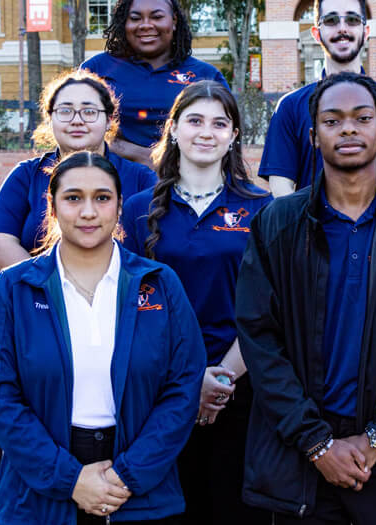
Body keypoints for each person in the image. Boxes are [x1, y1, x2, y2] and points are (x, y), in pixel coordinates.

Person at [236, 72, 376, 524]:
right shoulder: (277, 225)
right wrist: (316, 443)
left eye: (362, 118)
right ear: (312, 135)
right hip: (300, 459)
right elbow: (260, 339)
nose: (347, 130)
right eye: (332, 120)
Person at [0, 151, 206, 524]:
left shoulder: (160, 283)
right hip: (37, 497)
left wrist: (126, 475)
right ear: (51, 208)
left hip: (140, 489)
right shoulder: (14, 288)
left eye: (102, 198)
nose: (88, 212)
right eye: (73, 198)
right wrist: (71, 479)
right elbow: (1, 396)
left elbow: (183, 387)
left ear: (119, 207)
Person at [121, 80, 272, 525]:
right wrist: (189, 383)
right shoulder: (136, 209)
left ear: (234, 136)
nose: (207, 132)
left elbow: (271, 309)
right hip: (159, 391)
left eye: (219, 123)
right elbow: (129, 306)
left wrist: (221, 377)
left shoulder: (262, 209)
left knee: (234, 510)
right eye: (195, 120)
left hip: (240, 388)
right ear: (173, 129)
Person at [258, 0, 376, 196]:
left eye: (352, 19)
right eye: (331, 20)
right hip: (312, 228)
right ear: (316, 33)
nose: (342, 28)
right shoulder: (290, 107)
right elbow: (281, 187)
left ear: (365, 31)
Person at [0, 70, 156, 269]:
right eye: (65, 111)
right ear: (49, 118)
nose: (77, 120)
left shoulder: (141, 179)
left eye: (89, 112)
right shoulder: (25, 176)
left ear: (109, 120)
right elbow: (2, 245)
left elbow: (156, 246)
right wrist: (48, 287)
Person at [81, 0, 230, 165]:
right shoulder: (96, 70)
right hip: (111, 178)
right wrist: (143, 156)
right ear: (124, 23)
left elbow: (226, 134)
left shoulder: (206, 76)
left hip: (185, 179)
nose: (146, 25)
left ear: (174, 21)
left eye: (157, 17)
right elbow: (78, 128)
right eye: (135, 18)